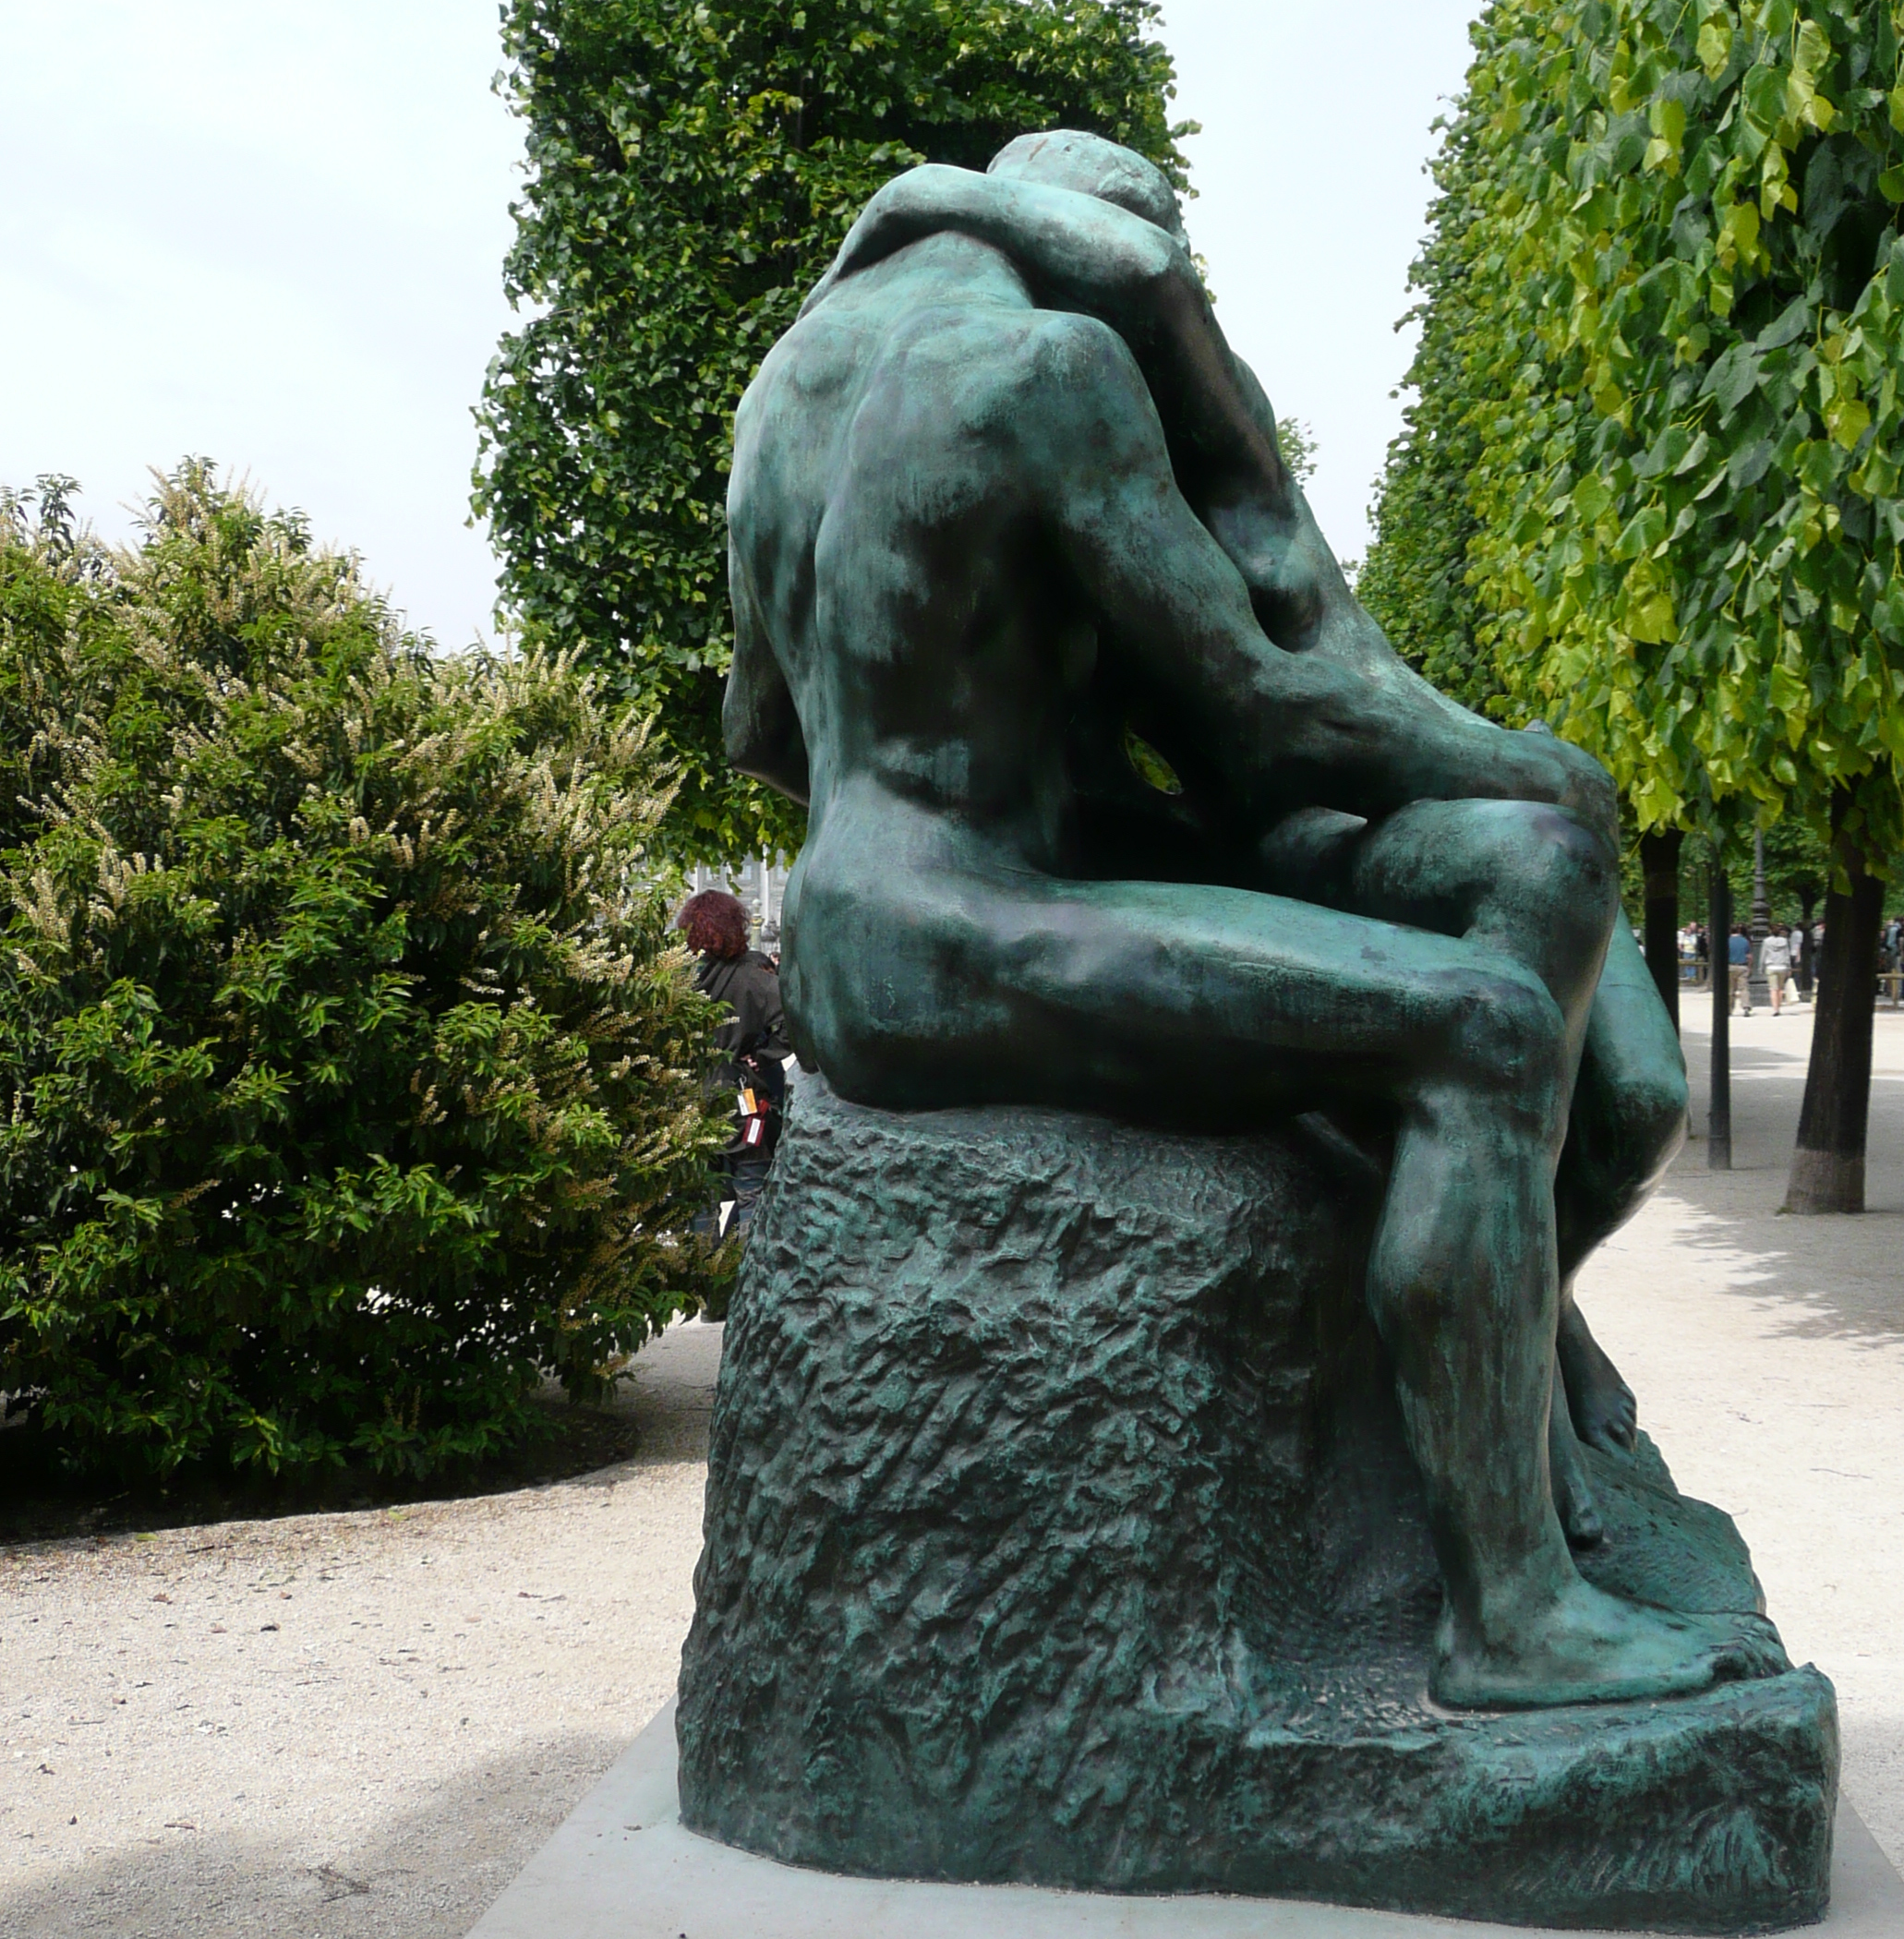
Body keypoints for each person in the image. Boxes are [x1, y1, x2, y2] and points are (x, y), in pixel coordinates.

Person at [720, 127, 1777, 1712]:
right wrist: (1544, 772)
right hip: (955, 927)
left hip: (883, 911)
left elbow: (763, 732)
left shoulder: (780, 397)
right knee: (1477, 1035)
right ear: (1129, 256)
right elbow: (1263, 721)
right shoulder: (1054, 364)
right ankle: (1511, 1618)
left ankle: (1511, 1346)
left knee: (1459, 951)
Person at [678, 887, 789, 1238]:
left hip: (687, 1101)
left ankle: (697, 1279)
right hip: (743, 1102)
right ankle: (743, 1281)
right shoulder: (753, 978)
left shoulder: (674, 978)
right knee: (753, 1196)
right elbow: (793, 1020)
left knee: (699, 1201)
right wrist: (762, 1056)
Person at [1761, 922, 1792, 1012]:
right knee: (1780, 988)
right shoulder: (1784, 941)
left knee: (1773, 989)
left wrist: (1761, 967)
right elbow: (1787, 955)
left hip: (1771, 966)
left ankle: (1775, 1009)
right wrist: (1789, 967)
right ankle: (1779, 1006)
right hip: (1782, 966)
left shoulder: (1766, 941)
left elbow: (1763, 955)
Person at [1728, 921, 1753, 1015]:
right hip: (1742, 966)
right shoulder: (1744, 941)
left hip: (1730, 966)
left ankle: (1729, 1009)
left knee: (1730, 990)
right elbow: (1749, 956)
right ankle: (1746, 1006)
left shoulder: (1727, 941)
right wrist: (1750, 967)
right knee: (1744, 988)